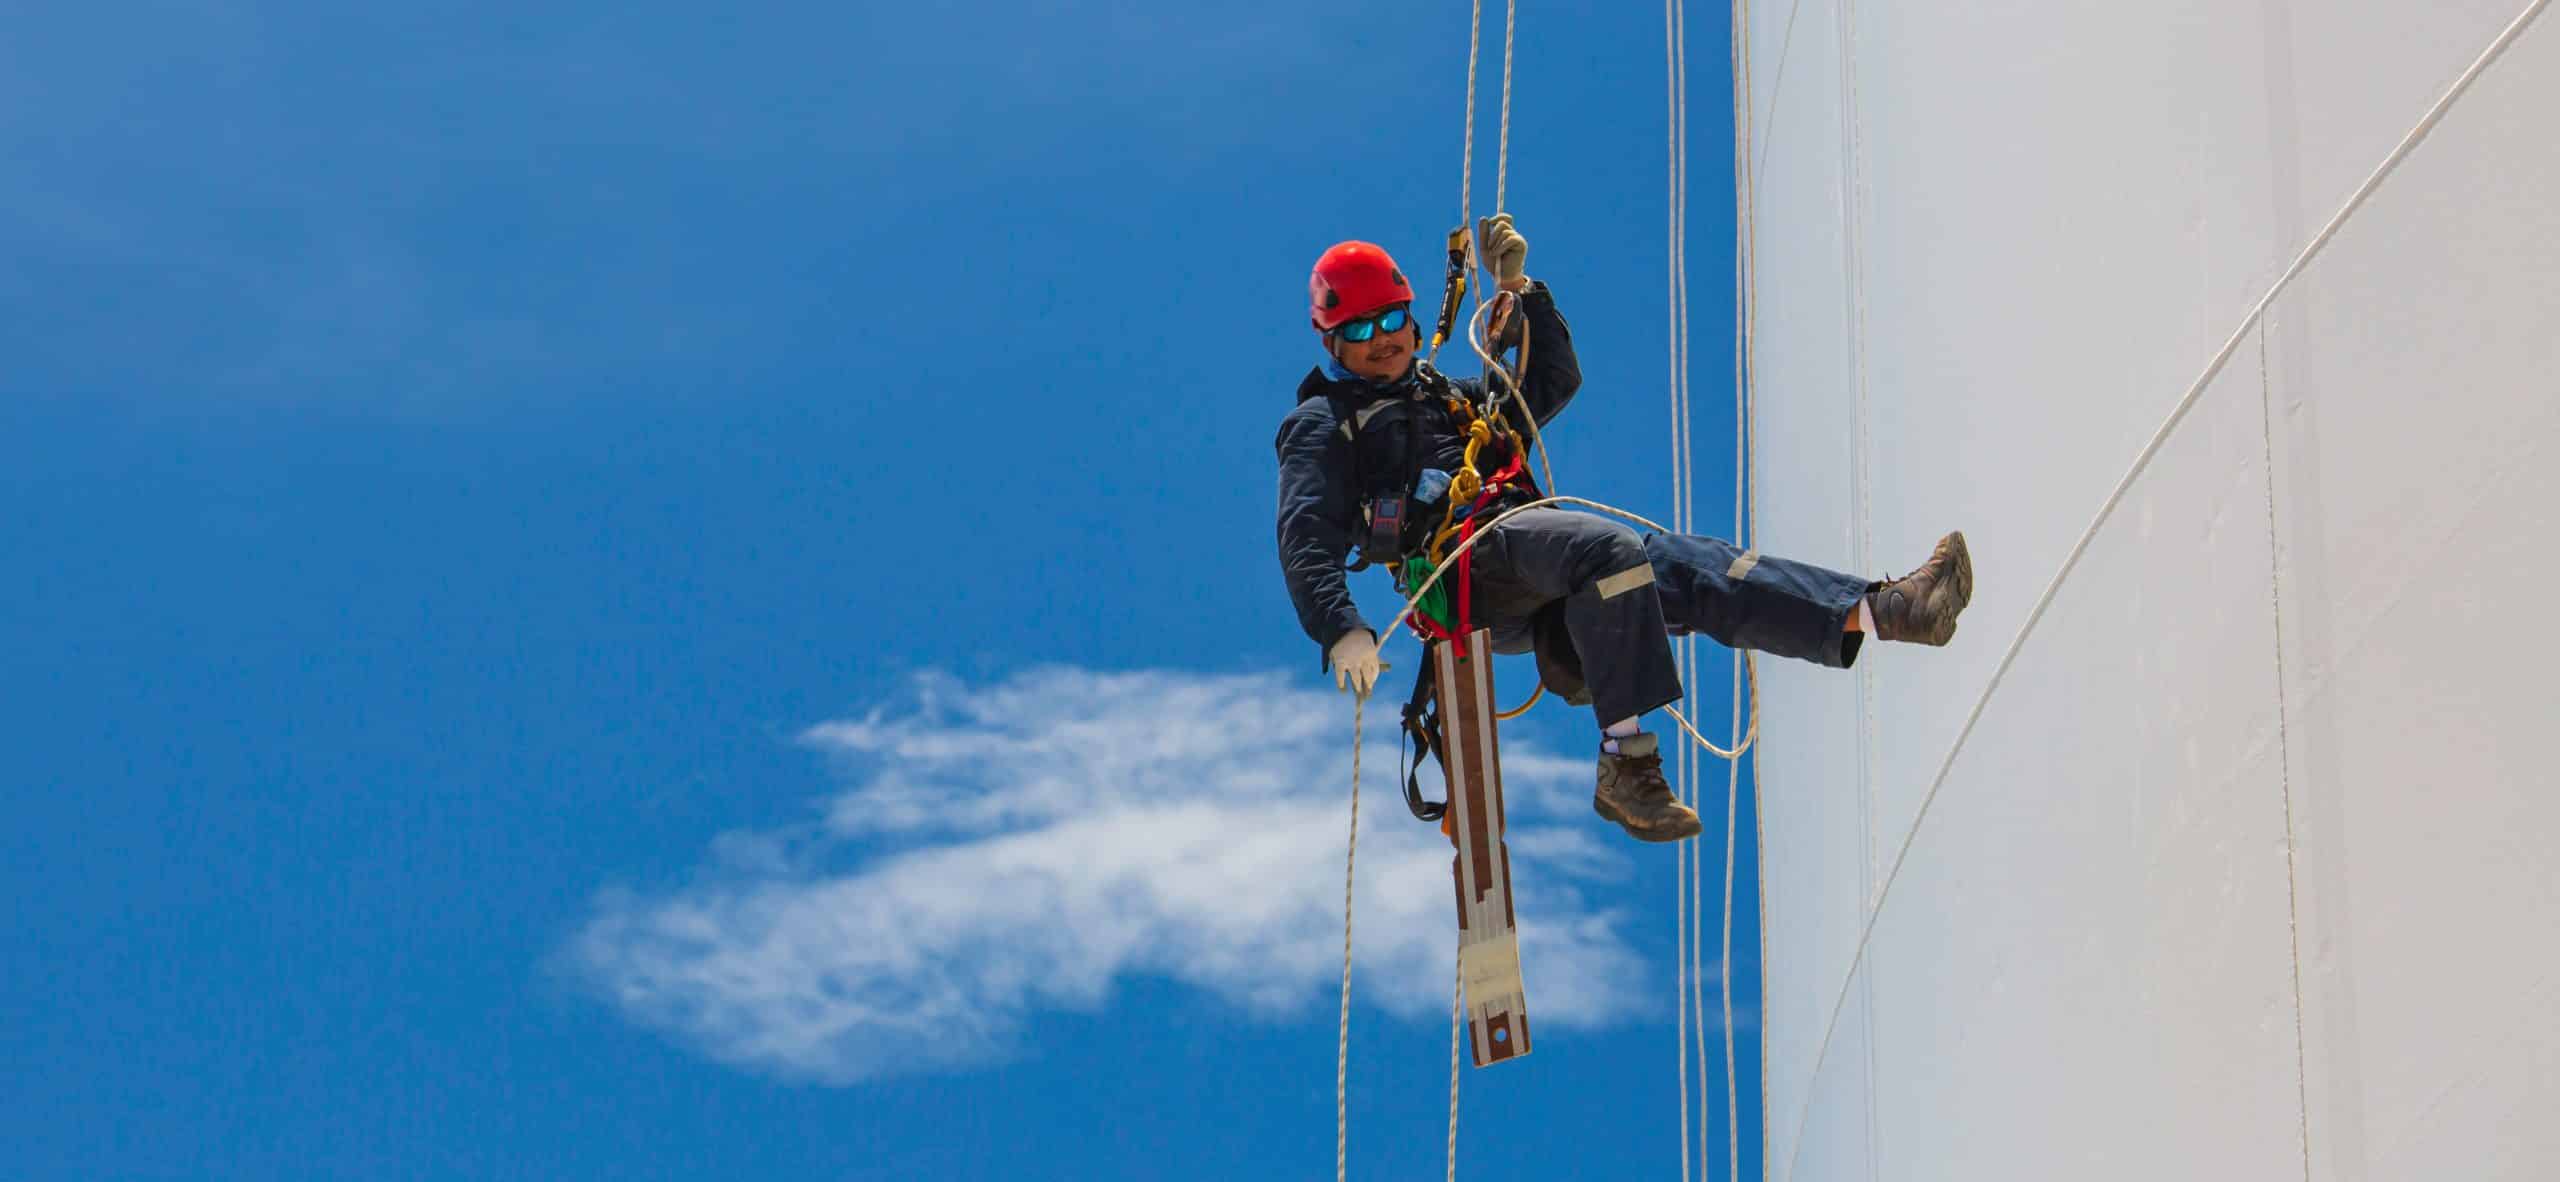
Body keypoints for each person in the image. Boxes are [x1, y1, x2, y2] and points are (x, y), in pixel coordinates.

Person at [1274, 216, 1974, 843]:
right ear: (1330, 341)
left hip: (1532, 556)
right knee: (1607, 550)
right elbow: (1305, 532)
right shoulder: (1324, 424)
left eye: (1391, 319)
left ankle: (1883, 610)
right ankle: (1627, 766)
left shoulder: (1448, 399)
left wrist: (1522, 291)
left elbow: (1551, 383)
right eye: (1359, 330)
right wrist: (1340, 627)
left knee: (1683, 565)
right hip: (1466, 573)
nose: (1382, 340)